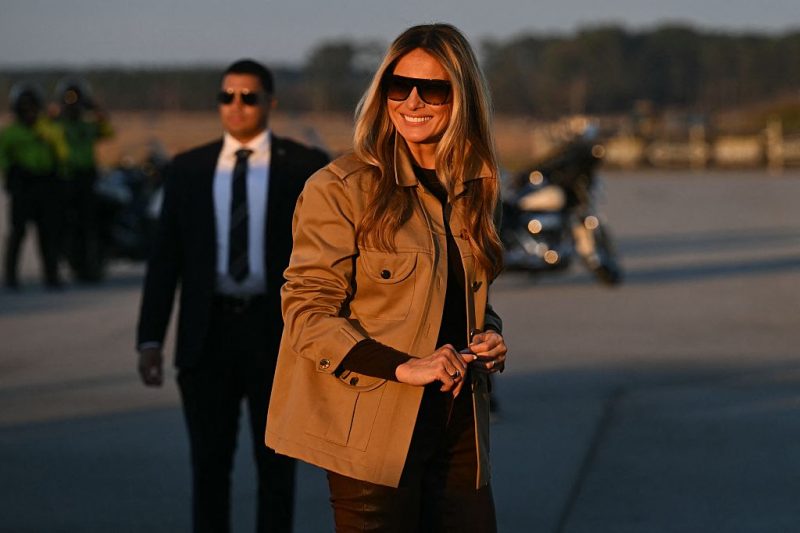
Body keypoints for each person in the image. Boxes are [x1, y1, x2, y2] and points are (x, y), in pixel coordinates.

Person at [266, 24, 508, 532]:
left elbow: (458, 298)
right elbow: (306, 313)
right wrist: (405, 367)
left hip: (460, 431)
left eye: (433, 89)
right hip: (374, 436)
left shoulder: (475, 187)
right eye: (400, 86)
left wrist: (489, 334)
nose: (412, 101)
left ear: (462, 97)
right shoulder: (341, 188)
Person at [136, 59, 329, 533]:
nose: (236, 106)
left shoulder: (303, 167)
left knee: (277, 468)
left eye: (248, 96)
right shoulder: (189, 169)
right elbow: (165, 261)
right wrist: (150, 339)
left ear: (270, 102)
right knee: (208, 466)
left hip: (275, 335)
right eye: (227, 96)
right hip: (207, 336)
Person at [0, 83, 69, 289]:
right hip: (23, 186)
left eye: (32, 108)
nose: (28, 112)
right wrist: (11, 174)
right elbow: (2, 157)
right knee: (17, 232)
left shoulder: (49, 130)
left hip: (45, 185)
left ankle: (51, 275)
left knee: (48, 233)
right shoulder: (11, 133)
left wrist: (60, 177)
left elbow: (62, 153)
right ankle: (11, 276)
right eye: (24, 108)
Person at [53, 78, 114, 281]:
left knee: (89, 224)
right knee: (68, 225)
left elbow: (108, 131)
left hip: (87, 178)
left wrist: (96, 109)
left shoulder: (88, 126)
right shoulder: (57, 126)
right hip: (66, 178)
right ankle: (70, 262)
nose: (73, 107)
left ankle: (90, 265)